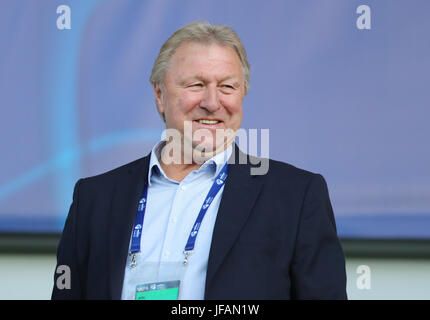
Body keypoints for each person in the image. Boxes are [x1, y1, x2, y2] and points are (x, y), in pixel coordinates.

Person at [52, 21, 347, 300]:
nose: (212, 102)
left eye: (227, 87)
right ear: (159, 95)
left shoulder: (296, 197)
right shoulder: (94, 199)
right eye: (196, 85)